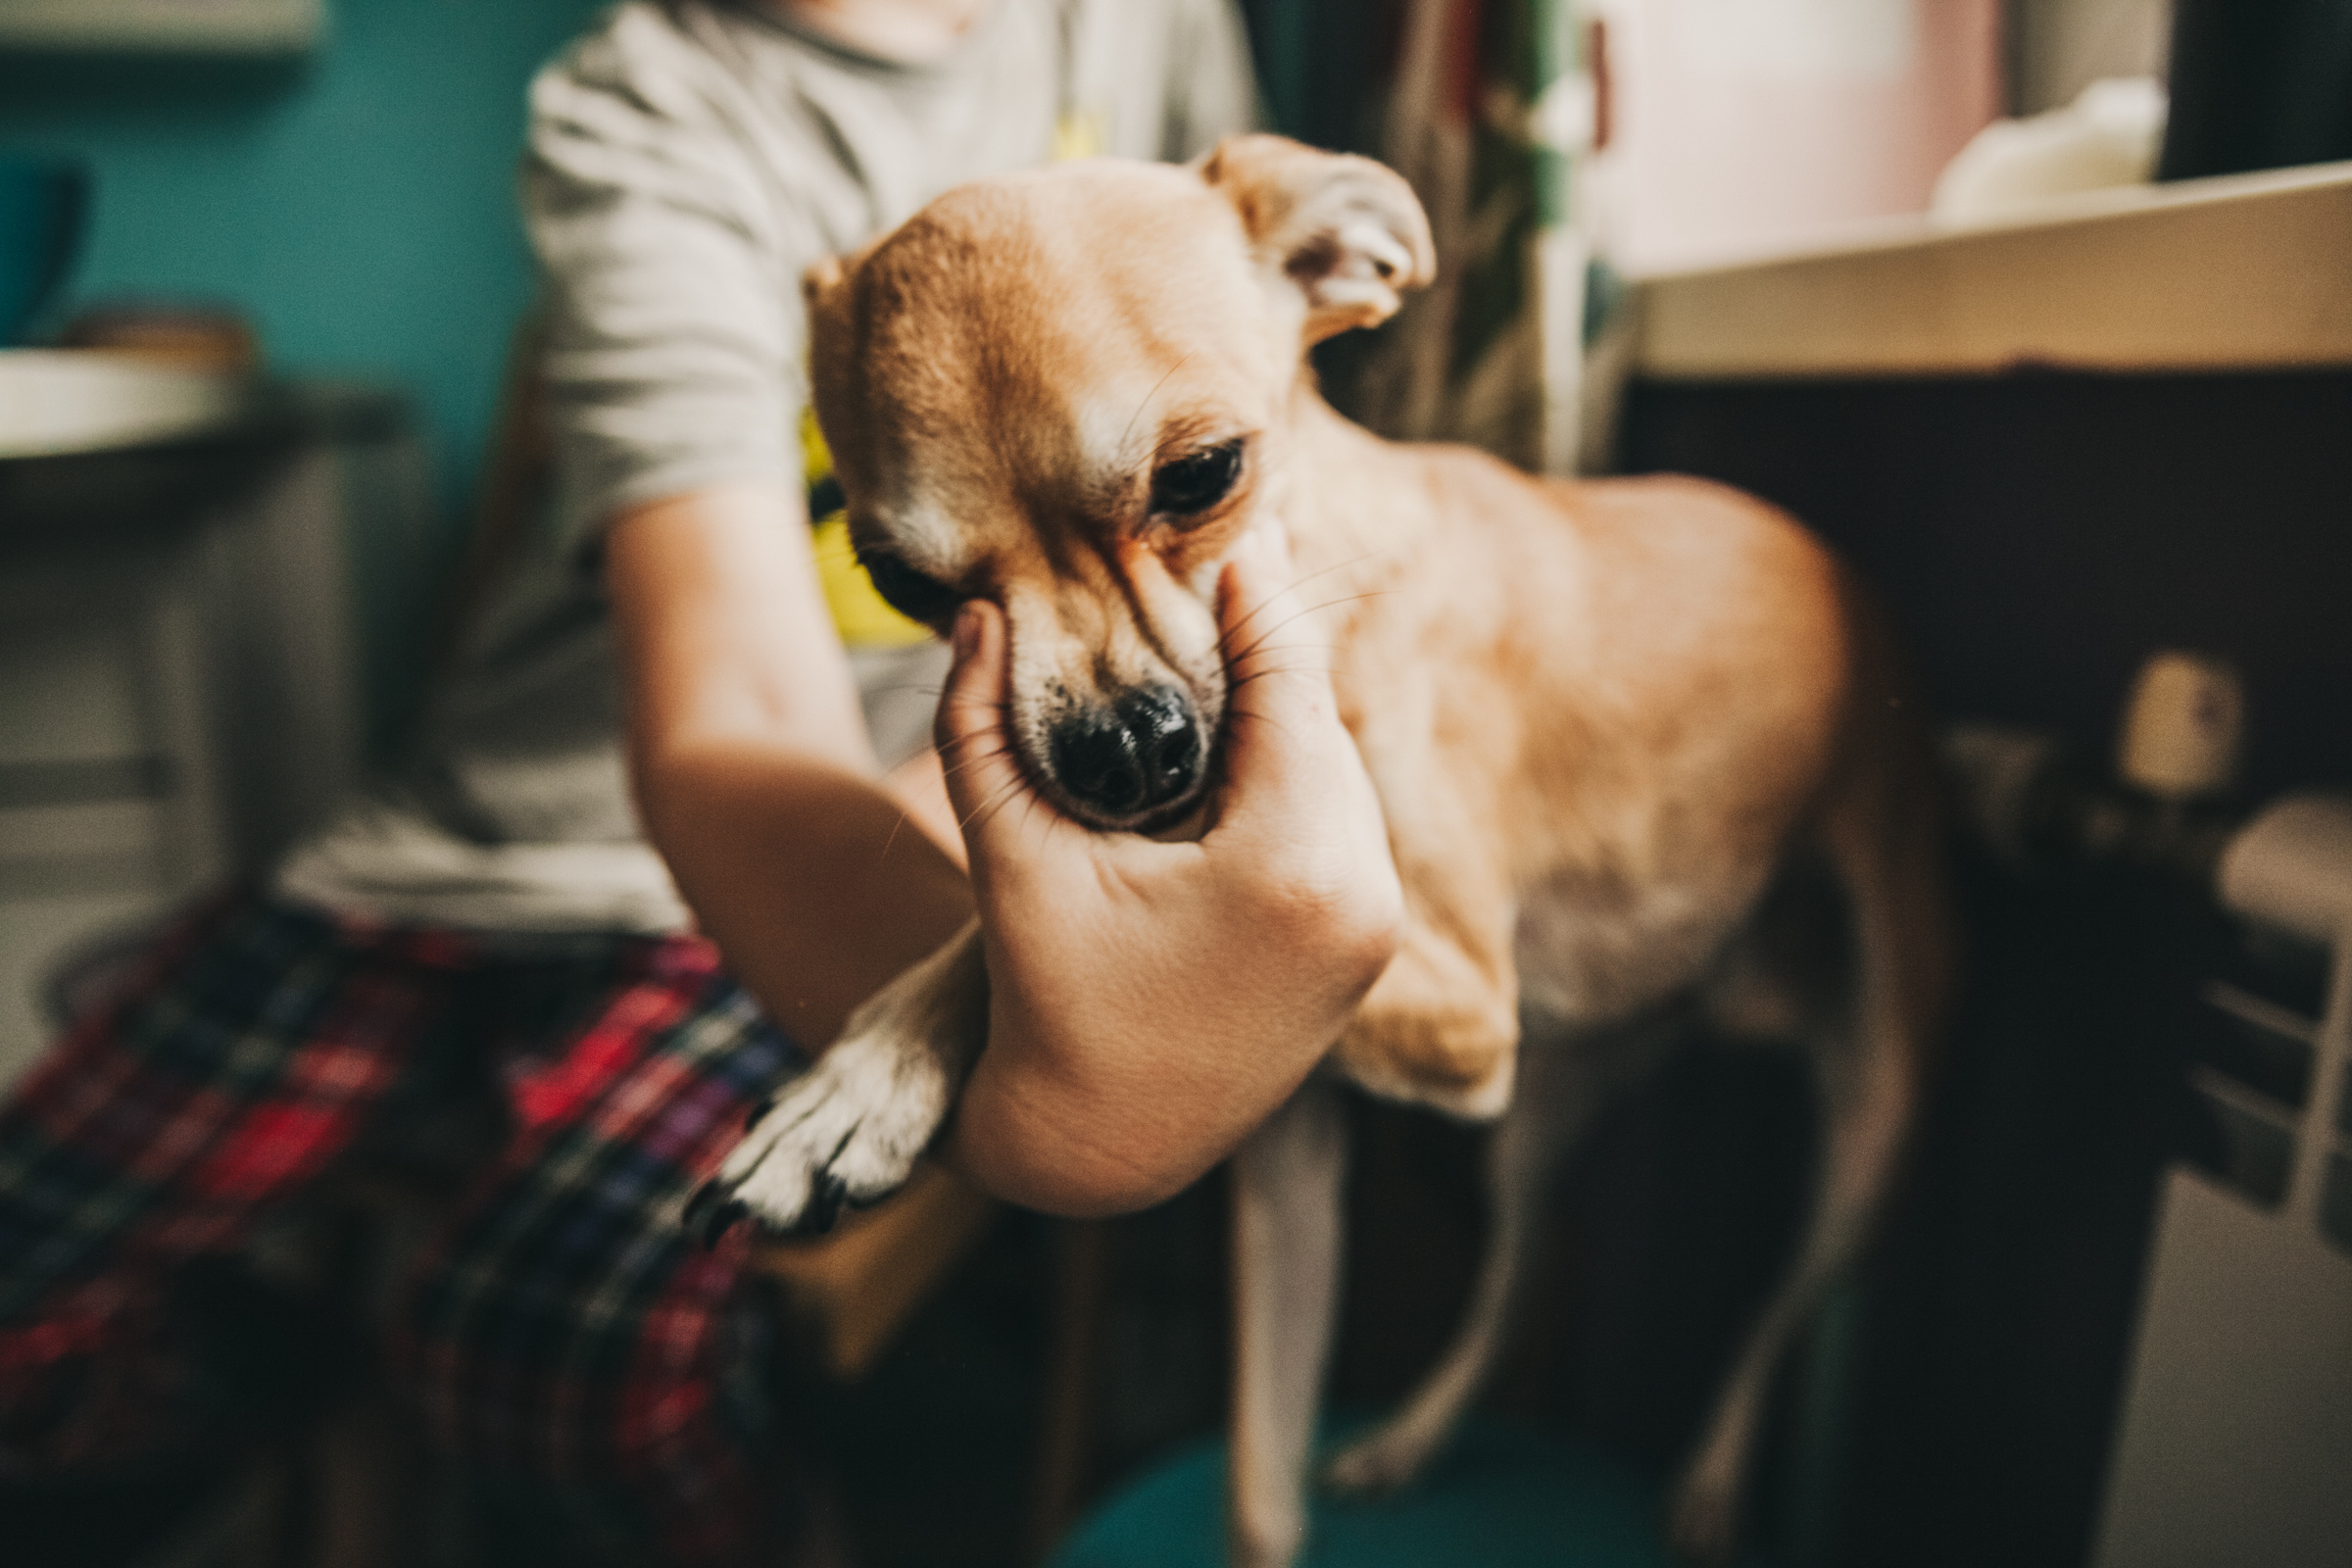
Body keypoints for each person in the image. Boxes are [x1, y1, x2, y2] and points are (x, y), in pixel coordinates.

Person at [0, 2, 1400, 1562]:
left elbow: (1275, 422)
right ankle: (318, 1395)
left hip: (855, 848)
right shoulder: (646, 108)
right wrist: (1021, 1055)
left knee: (538, 1345)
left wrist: (993, 1024)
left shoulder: (1139, 33)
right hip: (486, 837)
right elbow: (731, 703)